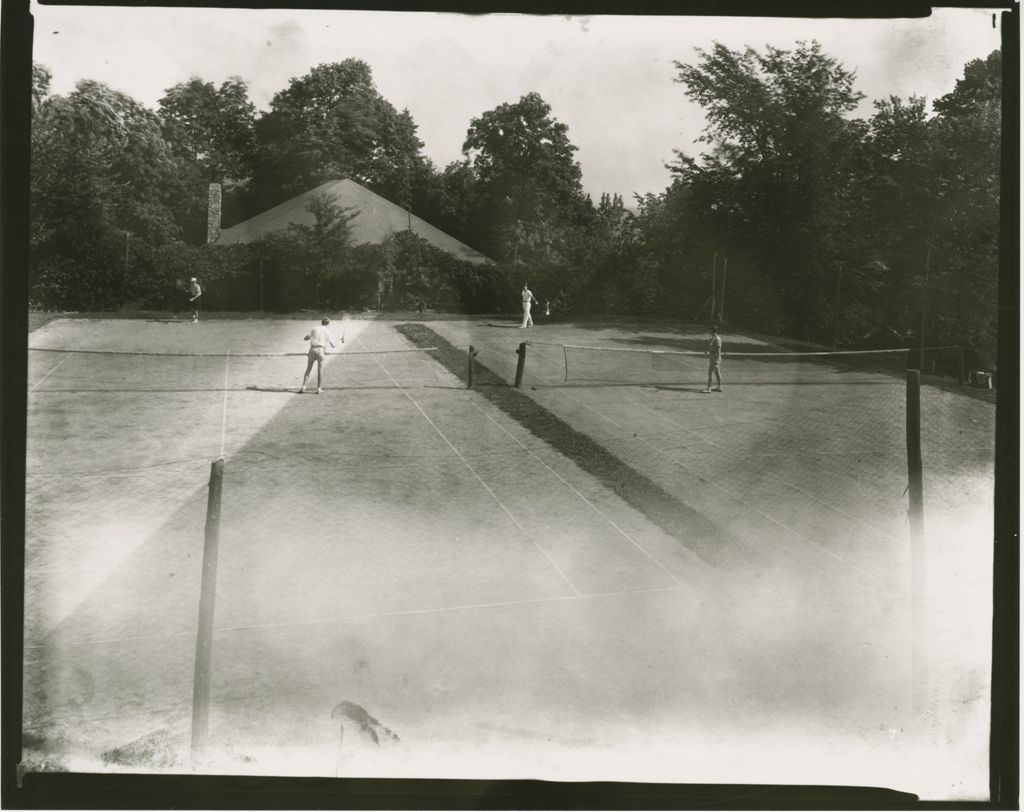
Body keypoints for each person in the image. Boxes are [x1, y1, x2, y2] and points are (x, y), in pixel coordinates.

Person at [300, 317, 342, 394]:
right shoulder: (328, 331)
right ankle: (319, 389)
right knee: (320, 371)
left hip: (312, 349)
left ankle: (303, 387)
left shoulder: (314, 328)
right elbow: (333, 345)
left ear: (321, 322)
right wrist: (340, 341)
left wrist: (312, 339)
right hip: (321, 351)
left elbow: (305, 338)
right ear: (328, 324)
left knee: (308, 369)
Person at [702, 324, 723, 393]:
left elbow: (718, 350)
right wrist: (707, 350)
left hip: (715, 357)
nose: (709, 332)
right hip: (712, 356)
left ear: (713, 331)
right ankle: (719, 387)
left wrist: (717, 360)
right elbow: (709, 346)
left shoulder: (717, 339)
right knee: (717, 372)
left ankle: (709, 388)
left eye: (710, 331)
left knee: (710, 372)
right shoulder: (712, 338)